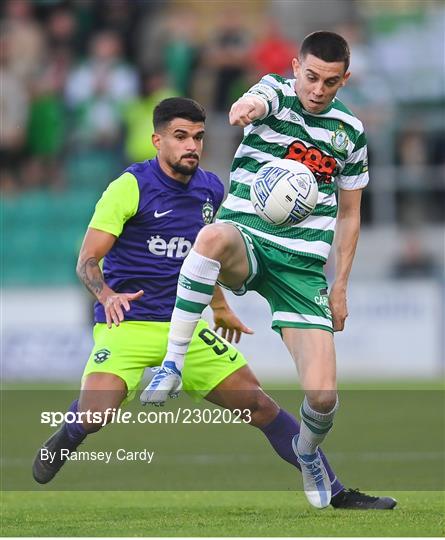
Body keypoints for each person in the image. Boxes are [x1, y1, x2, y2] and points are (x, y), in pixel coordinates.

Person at [32, 97, 395, 511]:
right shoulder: (128, 187)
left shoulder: (210, 188)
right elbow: (87, 261)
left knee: (260, 406)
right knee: (95, 416)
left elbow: (204, 262)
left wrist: (220, 306)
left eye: (199, 137)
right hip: (128, 323)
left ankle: (336, 492)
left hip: (187, 328)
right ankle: (66, 435)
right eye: (181, 137)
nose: (192, 145)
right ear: (157, 141)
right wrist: (106, 294)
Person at [144, 32, 377, 509]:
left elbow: (350, 214)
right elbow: (248, 102)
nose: (317, 89)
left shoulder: (349, 132)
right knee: (210, 237)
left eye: (330, 82)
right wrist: (245, 108)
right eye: (310, 76)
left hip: (302, 268)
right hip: (247, 240)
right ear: (296, 67)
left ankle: (307, 453)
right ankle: (172, 361)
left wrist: (341, 287)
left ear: (344, 80)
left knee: (324, 398)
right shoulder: (274, 91)